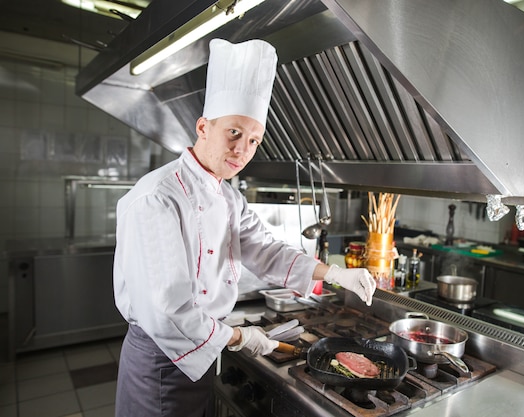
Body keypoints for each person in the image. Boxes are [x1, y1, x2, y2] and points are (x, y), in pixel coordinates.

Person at [112, 38, 376, 417]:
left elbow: (265, 249)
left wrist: (335, 273)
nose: (242, 150)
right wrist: (238, 337)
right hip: (159, 359)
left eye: (253, 140)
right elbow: (165, 309)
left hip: (199, 350)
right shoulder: (158, 197)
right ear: (204, 127)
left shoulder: (228, 197)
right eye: (233, 133)